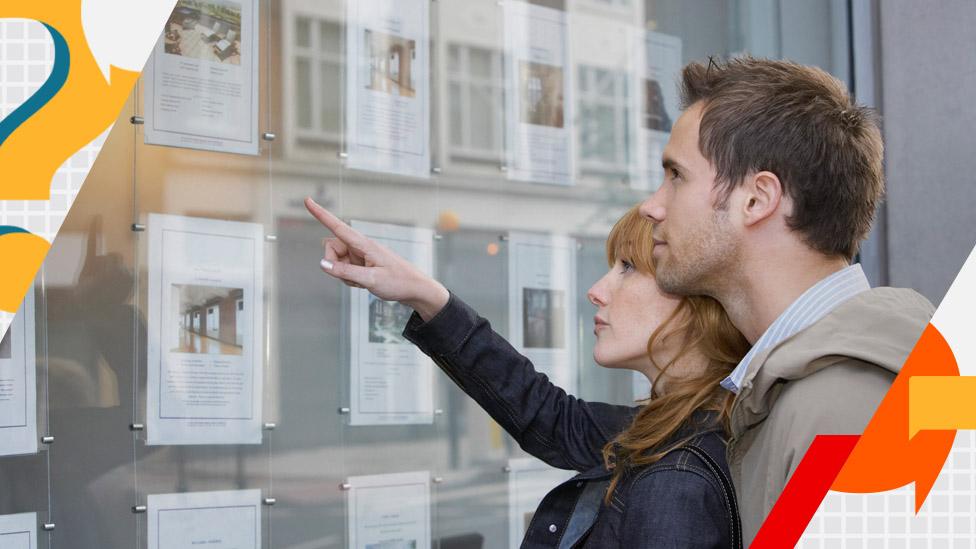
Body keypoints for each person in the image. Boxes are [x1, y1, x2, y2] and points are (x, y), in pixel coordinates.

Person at [306, 198, 749, 548]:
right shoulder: (672, 430)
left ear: (696, 300)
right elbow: (548, 416)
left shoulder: (676, 477)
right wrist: (424, 295)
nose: (596, 291)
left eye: (628, 268)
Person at [638, 56, 935, 542]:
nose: (652, 205)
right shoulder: (812, 385)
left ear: (757, 199)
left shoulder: (841, 408)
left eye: (676, 175)